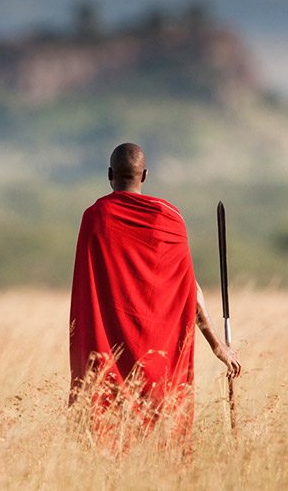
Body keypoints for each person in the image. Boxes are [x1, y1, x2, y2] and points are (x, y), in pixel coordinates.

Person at [69, 142, 241, 442]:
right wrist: (217, 345)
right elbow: (190, 290)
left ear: (110, 174)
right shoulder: (168, 217)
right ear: (145, 175)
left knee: (107, 440)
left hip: (108, 354)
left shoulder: (94, 217)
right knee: (162, 442)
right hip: (159, 360)